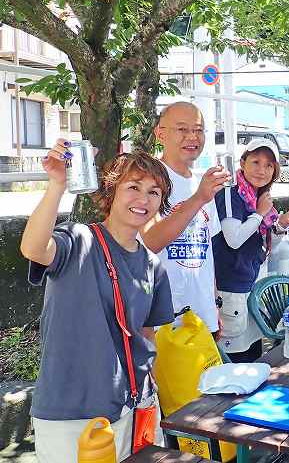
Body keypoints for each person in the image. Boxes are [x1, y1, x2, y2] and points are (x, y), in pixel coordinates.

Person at [21, 144, 174, 462]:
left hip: (136, 407)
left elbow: (147, 334)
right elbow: (36, 249)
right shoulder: (78, 240)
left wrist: (151, 393)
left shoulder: (153, 266)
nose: (143, 199)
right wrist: (57, 186)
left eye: (154, 192)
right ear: (111, 192)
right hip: (71, 414)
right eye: (133, 187)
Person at [213, 138, 289, 362]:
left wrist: (281, 224)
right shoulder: (230, 195)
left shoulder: (261, 200)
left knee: (254, 355)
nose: (262, 170)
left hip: (251, 288)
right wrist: (259, 213)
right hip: (230, 292)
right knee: (235, 361)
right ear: (243, 163)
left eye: (269, 165)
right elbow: (234, 239)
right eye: (256, 162)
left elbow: (268, 248)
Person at [142, 102, 229, 336]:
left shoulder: (203, 183)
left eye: (198, 130)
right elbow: (150, 241)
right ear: (160, 134)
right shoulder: (148, 179)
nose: (192, 137)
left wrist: (214, 305)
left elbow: (206, 251)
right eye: (182, 129)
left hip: (202, 316)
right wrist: (199, 198)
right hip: (162, 319)